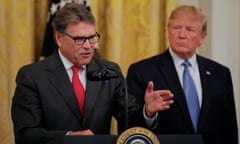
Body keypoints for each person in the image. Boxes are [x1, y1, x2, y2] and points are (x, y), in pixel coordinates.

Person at [11, 3, 174, 144]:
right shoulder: (32, 76)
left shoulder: (110, 71)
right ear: (59, 38)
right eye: (80, 39)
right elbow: (26, 135)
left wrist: (147, 112)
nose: (88, 46)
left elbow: (127, 122)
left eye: (92, 38)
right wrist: (70, 138)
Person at [126, 5, 238, 144]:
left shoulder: (220, 74)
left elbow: (229, 129)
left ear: (202, 37)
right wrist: (148, 113)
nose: (182, 35)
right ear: (168, 31)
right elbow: (128, 127)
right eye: (176, 28)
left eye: (190, 30)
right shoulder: (142, 71)